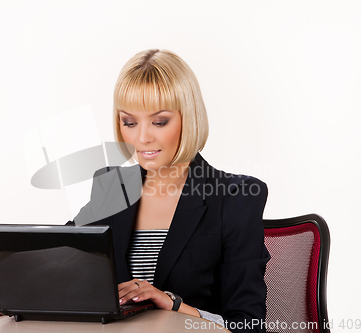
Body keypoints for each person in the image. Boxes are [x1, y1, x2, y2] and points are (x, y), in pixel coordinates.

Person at [70, 49, 270, 333]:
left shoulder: (235, 197)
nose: (141, 137)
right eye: (129, 122)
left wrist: (173, 305)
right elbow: (62, 260)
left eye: (159, 122)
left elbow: (247, 324)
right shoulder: (112, 187)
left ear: (188, 119)